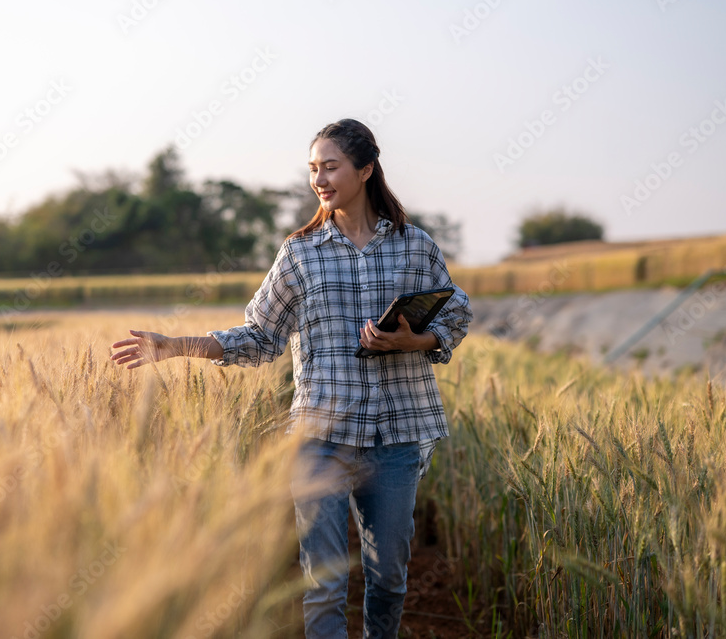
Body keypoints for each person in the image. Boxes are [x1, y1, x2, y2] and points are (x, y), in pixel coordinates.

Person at [111, 118, 472, 638]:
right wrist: (175, 347)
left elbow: (455, 310)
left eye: (331, 167)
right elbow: (260, 335)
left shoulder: (414, 246)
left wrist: (414, 341)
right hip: (319, 438)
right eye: (312, 169)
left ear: (366, 169)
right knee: (323, 582)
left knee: (388, 578)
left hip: (396, 435)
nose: (319, 180)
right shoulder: (301, 254)